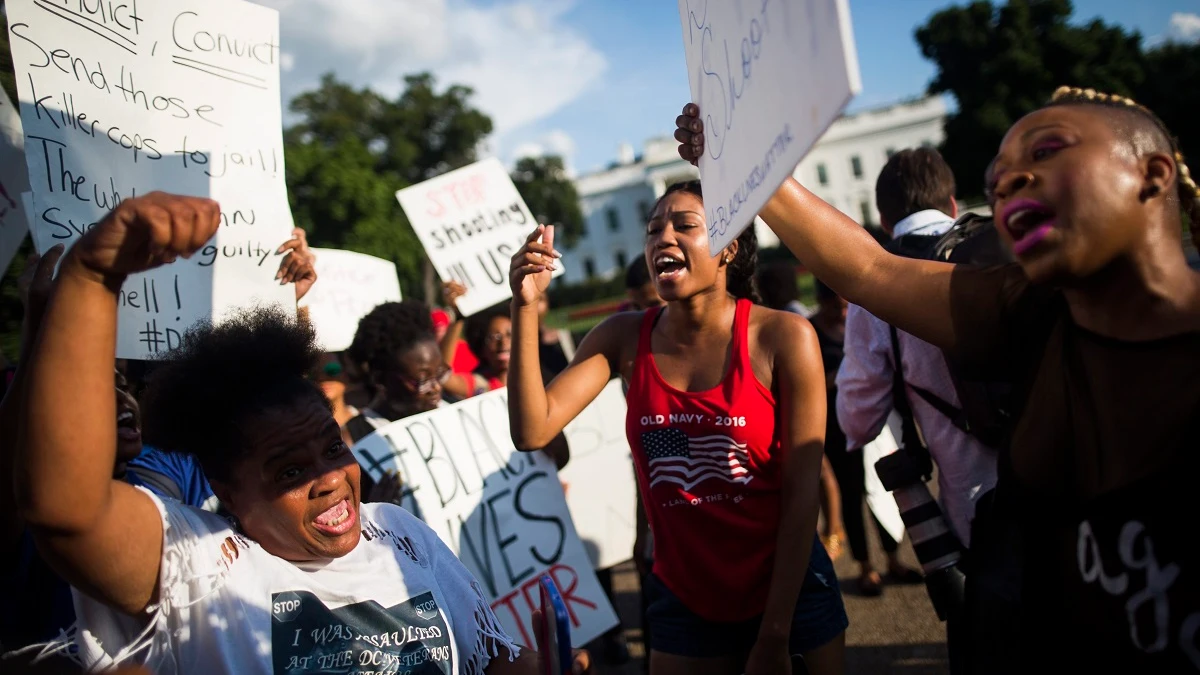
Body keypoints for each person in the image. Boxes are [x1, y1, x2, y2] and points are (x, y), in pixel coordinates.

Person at [675, 87, 1200, 672]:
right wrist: (739, 161)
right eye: (998, 174)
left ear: (1152, 175)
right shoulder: (1022, 310)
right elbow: (870, 269)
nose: (1008, 180)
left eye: (1046, 151)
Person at [8, 192, 575, 674]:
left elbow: (491, 659)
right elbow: (66, 508)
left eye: (332, 449)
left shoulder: (401, 535)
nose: (330, 479)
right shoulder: (197, 563)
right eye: (290, 471)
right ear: (227, 491)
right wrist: (92, 279)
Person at [507, 181, 847, 675]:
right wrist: (522, 307)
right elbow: (532, 431)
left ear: (729, 245)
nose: (662, 238)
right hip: (684, 600)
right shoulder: (621, 338)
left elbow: (801, 494)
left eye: (685, 226)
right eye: (652, 230)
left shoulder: (784, 337)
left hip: (790, 590)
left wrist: (775, 633)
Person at [835, 148, 998, 573]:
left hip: (975, 499)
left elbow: (857, 421)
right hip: (1061, 466)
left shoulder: (877, 286)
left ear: (885, 220)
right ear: (953, 204)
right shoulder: (1003, 246)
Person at [758, 265, 846, 563]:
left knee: (822, 472)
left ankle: (833, 533)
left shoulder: (790, 319)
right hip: (789, 406)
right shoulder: (784, 313)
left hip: (797, 406)